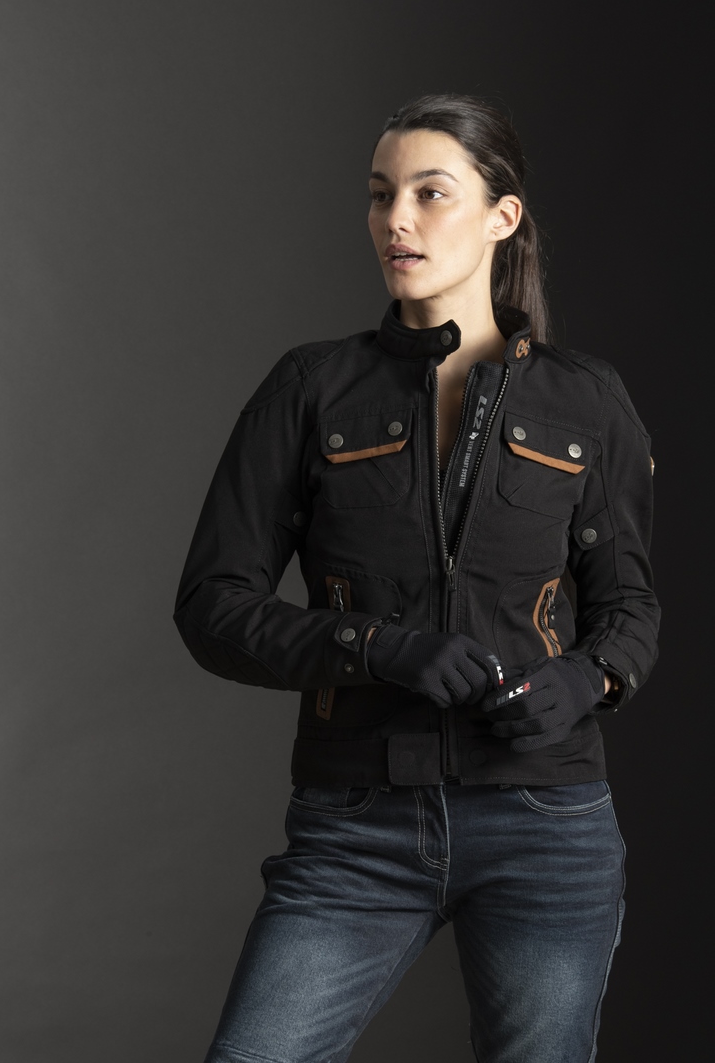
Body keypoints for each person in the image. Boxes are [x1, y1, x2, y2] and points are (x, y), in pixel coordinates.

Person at [174, 93, 659, 1063]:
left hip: (545, 825)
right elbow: (212, 605)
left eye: (430, 193)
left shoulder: (588, 399)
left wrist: (584, 681)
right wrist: (375, 649)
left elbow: (629, 607)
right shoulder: (310, 389)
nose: (396, 219)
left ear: (501, 216)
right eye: (380, 194)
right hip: (355, 825)